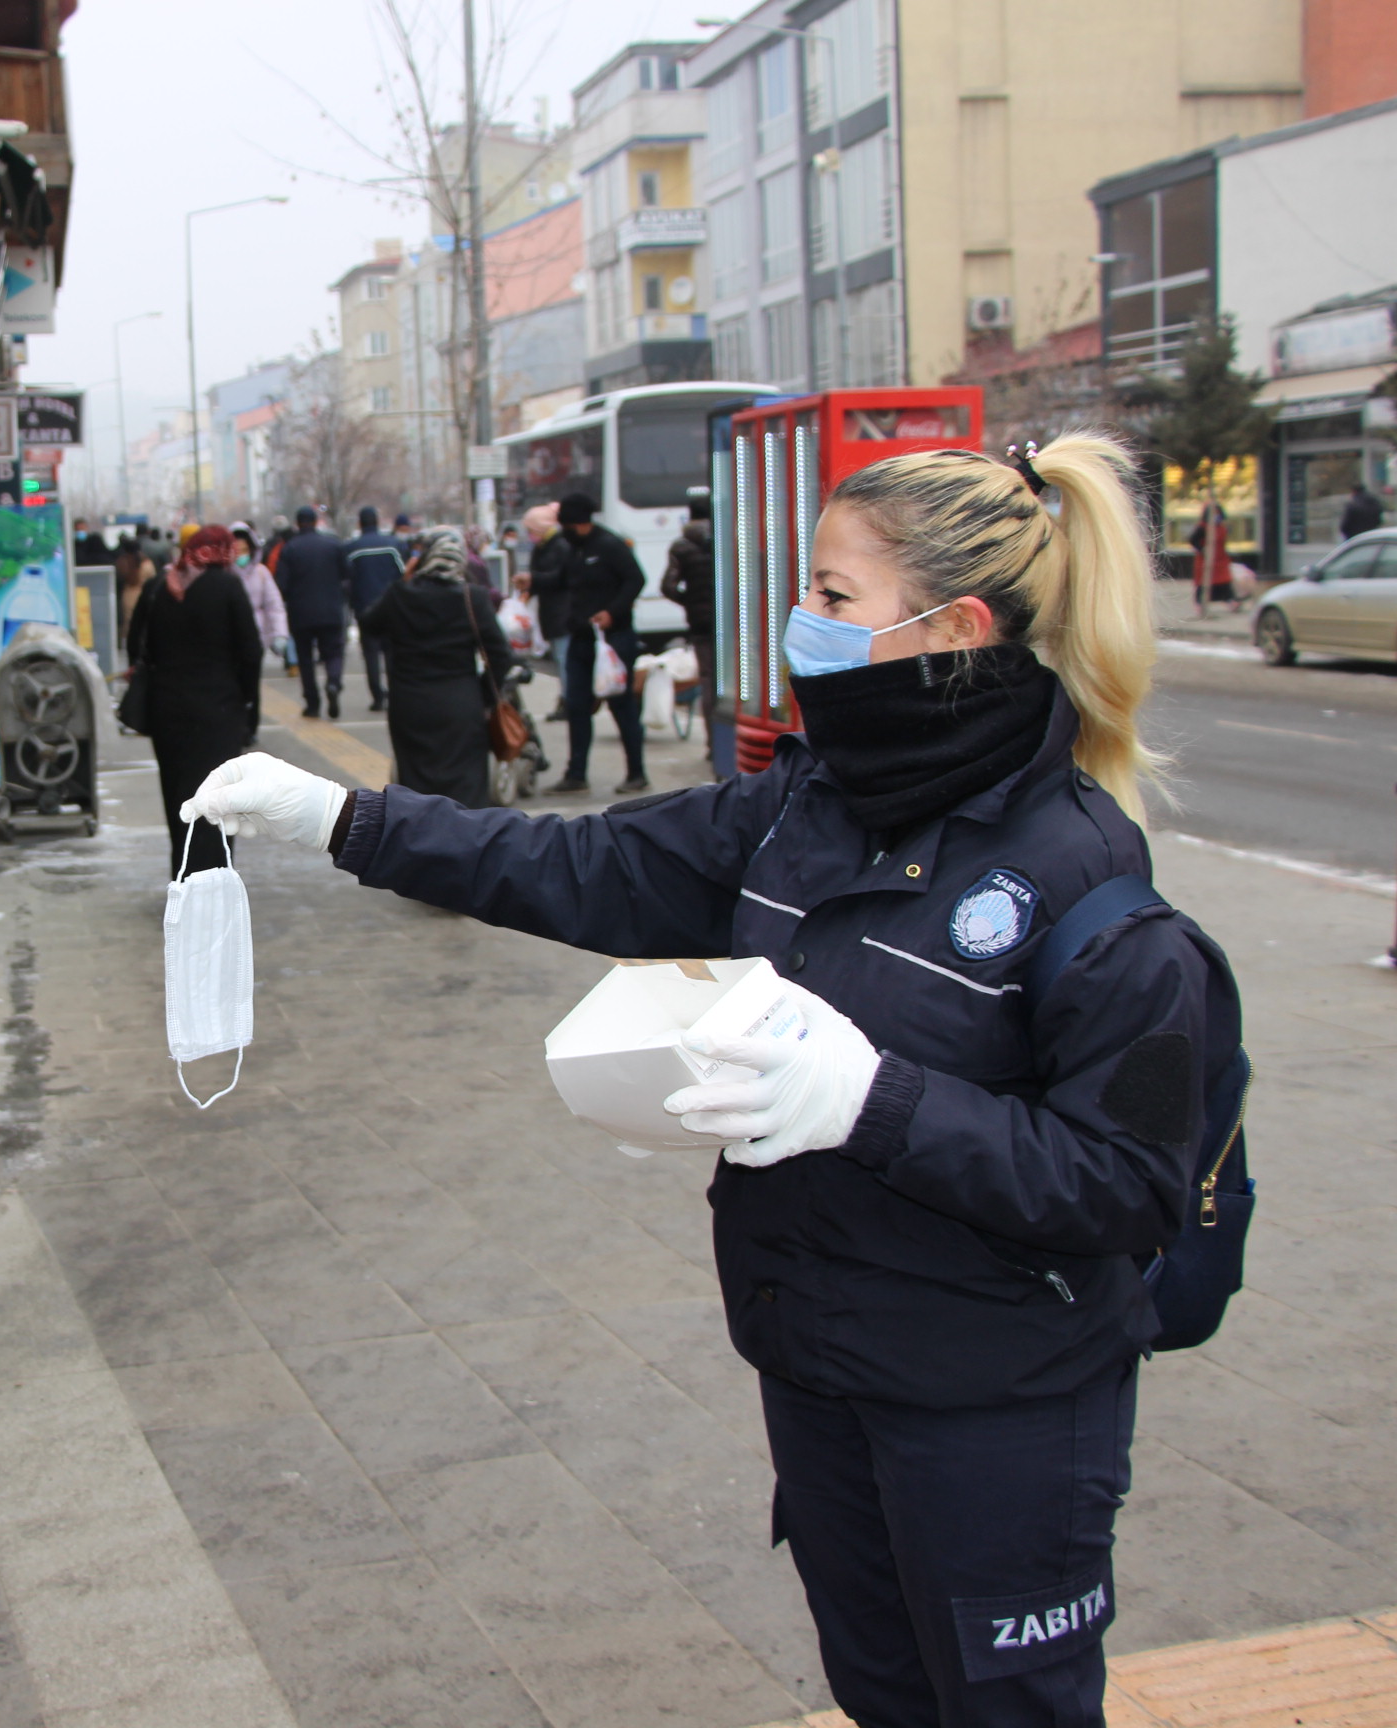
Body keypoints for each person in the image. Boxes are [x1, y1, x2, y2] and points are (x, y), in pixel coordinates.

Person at [186, 431, 1229, 1728]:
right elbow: (581, 869)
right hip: (820, 1371)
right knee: (885, 1696)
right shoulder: (806, 806)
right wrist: (348, 820)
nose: (804, 622)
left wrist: (873, 1103)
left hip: (998, 1412)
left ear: (950, 627)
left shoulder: (1084, 885)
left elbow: (1128, 1185)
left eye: (837, 598)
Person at [126, 523, 260, 871]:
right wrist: (244, 699)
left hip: (167, 712)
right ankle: (215, 877)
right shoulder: (229, 586)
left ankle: (183, 876)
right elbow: (251, 651)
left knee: (178, 798)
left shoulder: (158, 587)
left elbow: (134, 643)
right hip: (219, 713)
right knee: (218, 801)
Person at [358, 525, 513, 808]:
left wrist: (404, 580)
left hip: (409, 703)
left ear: (425, 557)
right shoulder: (472, 598)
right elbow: (501, 655)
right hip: (460, 703)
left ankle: (420, 843)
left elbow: (369, 623)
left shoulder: (400, 594)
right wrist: (485, 696)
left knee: (416, 784)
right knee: (466, 786)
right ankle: (467, 844)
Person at [552, 492, 647, 794]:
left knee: (622, 707)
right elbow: (561, 579)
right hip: (581, 639)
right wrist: (534, 581)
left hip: (613, 641)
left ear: (579, 523)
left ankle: (637, 772)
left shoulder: (609, 545)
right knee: (577, 706)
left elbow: (636, 580)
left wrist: (612, 612)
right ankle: (576, 774)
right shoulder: (574, 550)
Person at [274, 504, 349, 718]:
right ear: (316, 522)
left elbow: (282, 584)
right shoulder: (333, 545)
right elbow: (346, 575)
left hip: (301, 613)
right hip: (331, 610)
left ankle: (312, 703)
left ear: (297, 524)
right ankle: (333, 682)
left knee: (305, 658)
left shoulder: (289, 549)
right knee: (334, 652)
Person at [668, 489, 723, 775]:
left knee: (707, 681)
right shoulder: (728, 535)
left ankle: (713, 743)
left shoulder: (681, 546)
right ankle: (729, 739)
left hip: (699, 622)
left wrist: (688, 601)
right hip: (729, 618)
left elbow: (668, 585)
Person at [343, 506, 405, 709]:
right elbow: (404, 574)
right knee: (391, 652)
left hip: (364, 609)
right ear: (378, 521)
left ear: (359, 524)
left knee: (370, 653)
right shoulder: (393, 545)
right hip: (391, 607)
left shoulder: (352, 548)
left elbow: (346, 579)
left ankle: (377, 696)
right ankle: (395, 693)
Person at [519, 502, 570, 718]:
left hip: (562, 613)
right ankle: (566, 699)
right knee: (560, 660)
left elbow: (560, 577)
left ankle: (569, 701)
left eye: (531, 530)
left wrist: (533, 580)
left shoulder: (559, 546)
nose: (529, 535)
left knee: (564, 659)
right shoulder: (544, 547)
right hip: (552, 612)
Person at [228, 521, 289, 668]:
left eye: (245, 549)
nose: (241, 554)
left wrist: (280, 633)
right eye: (237, 550)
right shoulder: (224, 574)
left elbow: (274, 605)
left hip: (257, 637)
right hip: (229, 638)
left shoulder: (261, 573)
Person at [1188, 495, 1235, 616]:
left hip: (1220, 560)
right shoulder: (1202, 528)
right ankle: (1200, 603)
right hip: (1206, 560)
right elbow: (1193, 540)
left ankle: (1229, 600)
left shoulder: (1221, 527)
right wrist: (1203, 550)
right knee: (1203, 583)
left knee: (1224, 581)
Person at [114, 534, 154, 638]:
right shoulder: (146, 562)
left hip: (127, 595)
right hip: (143, 593)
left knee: (129, 623)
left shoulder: (122, 562)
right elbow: (152, 578)